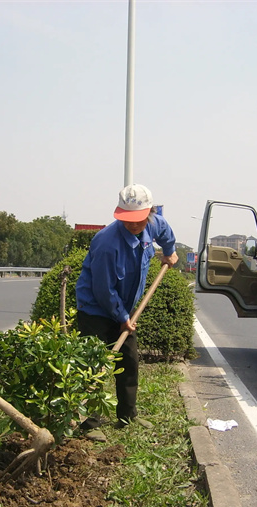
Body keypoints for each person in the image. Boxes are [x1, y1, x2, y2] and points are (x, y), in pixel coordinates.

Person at [75, 183, 178, 443]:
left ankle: (127, 414)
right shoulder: (106, 243)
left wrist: (169, 252)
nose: (134, 225)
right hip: (96, 309)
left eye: (139, 219)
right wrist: (122, 319)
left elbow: (166, 233)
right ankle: (89, 422)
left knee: (128, 361)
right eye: (128, 220)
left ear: (150, 213)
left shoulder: (154, 224)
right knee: (95, 365)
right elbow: (103, 289)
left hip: (125, 309)